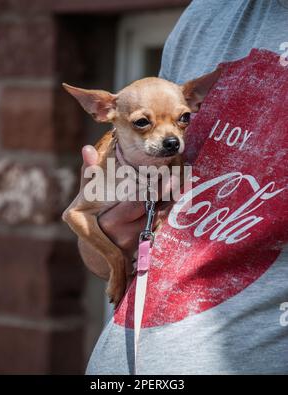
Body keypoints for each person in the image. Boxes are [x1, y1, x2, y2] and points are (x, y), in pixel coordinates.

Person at [79, 0, 288, 374]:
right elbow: (99, 256)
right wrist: (109, 237)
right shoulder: (207, 14)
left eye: (183, 120)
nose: (172, 136)